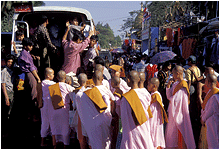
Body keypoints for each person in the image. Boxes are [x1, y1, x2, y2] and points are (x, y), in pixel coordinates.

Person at [76, 70, 115, 149]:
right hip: (106, 119)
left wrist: (84, 87)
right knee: (106, 141)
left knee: (95, 142)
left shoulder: (86, 92)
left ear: (92, 78)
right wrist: (113, 114)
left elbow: (78, 96)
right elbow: (113, 100)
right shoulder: (105, 89)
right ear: (102, 79)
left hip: (94, 120)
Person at [120, 70, 154, 149]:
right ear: (138, 80)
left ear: (128, 80)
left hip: (132, 131)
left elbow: (124, 117)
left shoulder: (126, 98)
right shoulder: (145, 93)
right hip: (144, 127)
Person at [165, 65, 196, 149]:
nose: (172, 76)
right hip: (174, 110)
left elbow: (176, 100)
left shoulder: (183, 85)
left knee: (180, 131)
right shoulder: (176, 83)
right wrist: (168, 86)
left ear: (178, 74)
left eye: (173, 74)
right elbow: (169, 96)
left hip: (180, 112)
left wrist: (171, 99)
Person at [48, 70, 75, 148]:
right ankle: (65, 146)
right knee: (65, 128)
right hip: (64, 110)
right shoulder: (67, 86)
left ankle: (54, 146)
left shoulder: (52, 87)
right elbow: (73, 97)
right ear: (65, 78)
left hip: (54, 109)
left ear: (57, 78)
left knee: (54, 128)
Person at [185, 55, 203, 147]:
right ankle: (196, 115)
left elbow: (189, 82)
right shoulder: (198, 69)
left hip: (192, 87)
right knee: (196, 101)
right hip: (198, 86)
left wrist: (187, 91)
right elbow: (199, 77)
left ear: (190, 61)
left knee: (191, 101)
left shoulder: (188, 70)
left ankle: (191, 117)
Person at [33, 15, 57, 79]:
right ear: (46, 21)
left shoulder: (38, 28)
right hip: (41, 50)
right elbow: (48, 42)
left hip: (38, 49)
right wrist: (55, 49)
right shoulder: (43, 29)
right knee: (44, 65)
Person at [147, 77, 168, 149]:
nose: (147, 86)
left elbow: (152, 109)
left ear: (154, 86)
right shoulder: (155, 94)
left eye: (149, 85)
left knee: (154, 135)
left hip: (154, 120)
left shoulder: (155, 96)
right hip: (156, 119)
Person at [200, 74, 219, 149]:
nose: (205, 83)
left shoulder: (215, 95)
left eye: (206, 81)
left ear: (209, 82)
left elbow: (210, 111)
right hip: (209, 122)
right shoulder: (211, 92)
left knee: (214, 141)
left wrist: (203, 118)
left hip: (213, 121)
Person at [39, 68, 56, 147]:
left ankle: (42, 141)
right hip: (51, 105)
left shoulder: (41, 83)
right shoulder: (52, 83)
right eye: (52, 74)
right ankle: (54, 143)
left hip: (44, 105)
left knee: (44, 122)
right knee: (53, 122)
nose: (53, 75)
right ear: (48, 75)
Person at [1, 54, 15, 120]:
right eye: (9, 62)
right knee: (6, 111)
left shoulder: (12, 70)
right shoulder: (4, 71)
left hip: (12, 91)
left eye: (11, 62)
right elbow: (3, 85)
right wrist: (6, 97)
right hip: (7, 92)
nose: (10, 64)